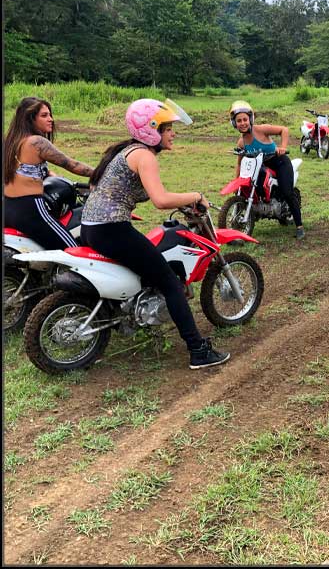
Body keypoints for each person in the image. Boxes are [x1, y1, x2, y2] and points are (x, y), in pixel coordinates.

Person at [80, 98, 230, 371]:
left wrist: (182, 201)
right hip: (111, 229)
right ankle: (198, 351)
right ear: (151, 129)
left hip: (92, 227)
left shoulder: (126, 150)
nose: (173, 133)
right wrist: (196, 195)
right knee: (171, 283)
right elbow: (160, 200)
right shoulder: (144, 155)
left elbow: (102, 187)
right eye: (168, 127)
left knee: (145, 269)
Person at [3, 96, 94, 249]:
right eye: (44, 115)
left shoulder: (12, 141)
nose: (51, 119)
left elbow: (26, 170)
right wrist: (104, 171)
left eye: (50, 114)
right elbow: (73, 165)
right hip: (30, 208)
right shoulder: (36, 142)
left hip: (8, 207)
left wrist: (50, 174)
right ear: (30, 119)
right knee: (71, 250)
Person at [229, 100, 305, 239]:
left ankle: (299, 226)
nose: (243, 123)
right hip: (260, 168)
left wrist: (282, 147)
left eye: (245, 119)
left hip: (279, 162)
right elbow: (240, 164)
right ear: (234, 123)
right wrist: (237, 181)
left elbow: (284, 130)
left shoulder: (261, 130)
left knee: (287, 192)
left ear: (250, 119)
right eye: (239, 120)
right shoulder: (241, 143)